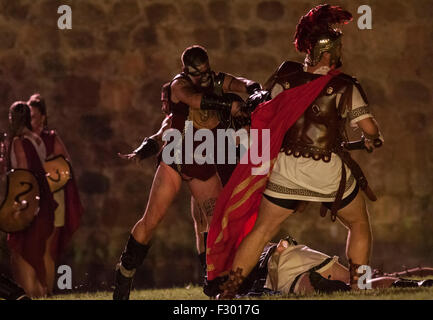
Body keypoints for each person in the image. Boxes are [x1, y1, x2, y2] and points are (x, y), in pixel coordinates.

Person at [206, 4, 384, 298]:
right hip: (327, 171)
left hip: (286, 171)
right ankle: (359, 288)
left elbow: (264, 113)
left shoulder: (285, 78)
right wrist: (372, 138)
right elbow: (369, 129)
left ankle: (227, 293)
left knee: (261, 231)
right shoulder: (343, 86)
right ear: (330, 52)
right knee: (358, 222)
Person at [113, 45, 262, 300]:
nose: (205, 78)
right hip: (177, 156)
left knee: (216, 223)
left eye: (207, 73)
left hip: (202, 158)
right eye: (199, 74)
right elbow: (197, 100)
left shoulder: (213, 79)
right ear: (187, 71)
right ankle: (125, 273)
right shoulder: (178, 86)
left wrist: (254, 89)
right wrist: (230, 104)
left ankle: (216, 282)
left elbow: (239, 82)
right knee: (152, 220)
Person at [204, 236, 433, 298]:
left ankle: (325, 287)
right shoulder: (249, 241)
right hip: (297, 252)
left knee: (316, 287)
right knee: (361, 285)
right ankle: (416, 285)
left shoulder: (229, 263)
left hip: (280, 268)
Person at [27, 93, 83, 295]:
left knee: (48, 250)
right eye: (28, 116)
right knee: (30, 247)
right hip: (31, 199)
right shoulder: (23, 140)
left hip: (53, 198)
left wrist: (49, 163)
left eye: (34, 116)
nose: (30, 120)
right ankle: (33, 290)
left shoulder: (51, 138)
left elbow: (65, 166)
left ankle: (47, 292)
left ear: (43, 116)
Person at [7, 102, 58, 298]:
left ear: (14, 118)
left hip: (29, 204)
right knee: (40, 253)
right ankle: (44, 292)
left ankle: (33, 295)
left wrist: (17, 208)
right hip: (44, 202)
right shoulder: (37, 139)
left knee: (23, 253)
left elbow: (23, 173)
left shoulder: (20, 141)